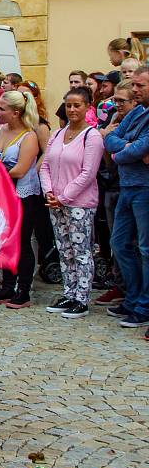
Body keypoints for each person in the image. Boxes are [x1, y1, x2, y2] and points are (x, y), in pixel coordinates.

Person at [40, 87, 105, 319]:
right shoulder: (57, 134)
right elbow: (46, 165)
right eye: (69, 105)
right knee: (64, 250)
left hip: (79, 204)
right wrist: (48, 191)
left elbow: (88, 174)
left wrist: (64, 196)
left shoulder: (92, 136)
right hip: (55, 202)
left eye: (77, 105)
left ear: (87, 106)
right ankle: (69, 292)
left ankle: (82, 297)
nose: (72, 109)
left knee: (80, 251)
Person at [0, 91, 41, 309]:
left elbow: (20, 170)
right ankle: (7, 285)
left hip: (21, 195)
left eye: (2, 109)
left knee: (22, 242)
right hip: (1, 194)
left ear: (16, 113)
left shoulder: (29, 137)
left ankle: (23, 289)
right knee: (5, 242)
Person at [103, 66, 149, 332]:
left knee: (145, 250)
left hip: (144, 188)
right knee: (119, 244)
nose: (135, 90)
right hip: (128, 185)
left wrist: (125, 148)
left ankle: (143, 305)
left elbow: (142, 147)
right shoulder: (138, 113)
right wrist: (127, 149)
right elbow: (112, 137)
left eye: (140, 85)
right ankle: (132, 298)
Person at [95, 80, 139, 308]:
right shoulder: (116, 119)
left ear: (135, 100)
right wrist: (119, 146)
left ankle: (135, 296)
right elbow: (108, 148)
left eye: (122, 101)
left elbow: (135, 151)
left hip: (134, 186)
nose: (116, 104)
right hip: (114, 185)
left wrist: (116, 146)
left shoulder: (140, 119)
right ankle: (124, 290)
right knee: (118, 243)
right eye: (115, 100)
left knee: (135, 245)